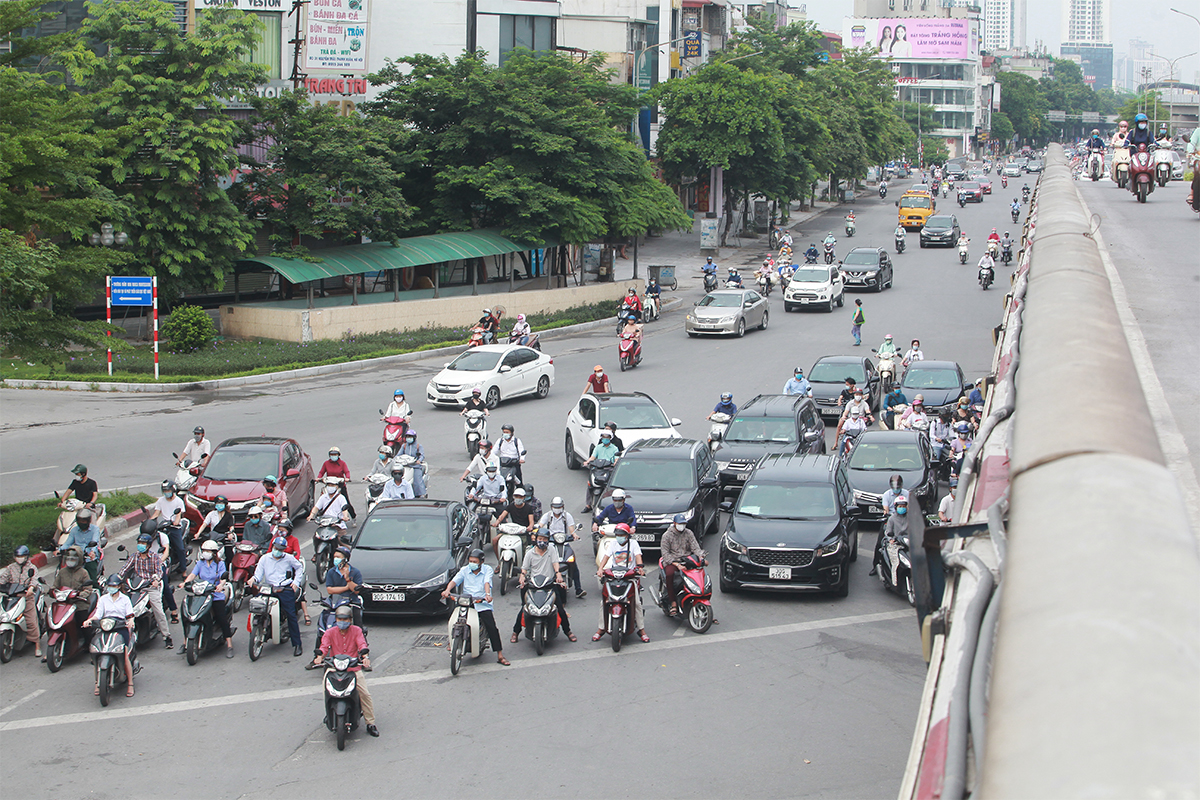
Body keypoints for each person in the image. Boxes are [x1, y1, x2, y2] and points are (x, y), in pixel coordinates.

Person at [316, 604, 379, 736]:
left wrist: (365, 657)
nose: (342, 622)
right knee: (325, 689)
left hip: (353, 668)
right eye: (339, 619)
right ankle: (329, 714)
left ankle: (370, 723)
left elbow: (362, 644)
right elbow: (324, 646)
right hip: (334, 668)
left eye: (345, 620)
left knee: (365, 694)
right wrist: (319, 656)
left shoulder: (356, 631)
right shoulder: (330, 632)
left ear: (350, 620)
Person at [441, 549, 509, 665]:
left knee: (491, 627)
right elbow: (455, 581)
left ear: (481, 562)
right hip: (466, 602)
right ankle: (451, 642)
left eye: (474, 561)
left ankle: (500, 655)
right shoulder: (465, 570)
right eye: (470, 561)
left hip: (482, 603)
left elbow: (487, 582)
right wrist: (447, 590)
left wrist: (487, 595)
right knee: (454, 620)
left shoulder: (487, 570)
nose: (472, 563)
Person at [511, 529, 576, 643]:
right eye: (540, 539)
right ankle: (516, 632)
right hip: (533, 585)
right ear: (536, 539)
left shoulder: (551, 549)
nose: (542, 541)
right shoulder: (530, 553)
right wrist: (522, 576)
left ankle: (568, 631)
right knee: (524, 609)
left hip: (549, 584)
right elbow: (524, 569)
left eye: (545, 539)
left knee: (560, 609)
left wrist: (558, 573)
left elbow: (555, 563)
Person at [308, 546, 365, 668]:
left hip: (351, 602)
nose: (335, 559)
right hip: (334, 602)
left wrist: (348, 579)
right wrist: (346, 588)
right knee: (322, 626)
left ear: (345, 559)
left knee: (357, 625)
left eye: (338, 557)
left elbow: (356, 590)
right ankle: (317, 656)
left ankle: (362, 655)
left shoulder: (355, 572)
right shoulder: (331, 572)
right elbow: (330, 589)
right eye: (334, 557)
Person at [593, 524, 648, 643]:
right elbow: (606, 557)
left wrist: (639, 568)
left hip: (629, 578)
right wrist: (600, 569)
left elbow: (638, 557)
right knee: (604, 602)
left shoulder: (634, 544)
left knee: (637, 603)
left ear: (627, 536)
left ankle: (641, 630)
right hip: (614, 576)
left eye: (622, 535)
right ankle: (601, 628)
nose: (620, 537)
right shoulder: (612, 544)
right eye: (617, 535)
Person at [250, 536, 305, 656]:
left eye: (280, 549)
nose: (278, 551)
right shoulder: (265, 558)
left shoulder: (289, 559)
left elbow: (299, 567)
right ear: (272, 546)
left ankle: (297, 644)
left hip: (283, 589)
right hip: (268, 588)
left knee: (291, 615)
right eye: (276, 548)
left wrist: (295, 583)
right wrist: (253, 579)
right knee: (255, 606)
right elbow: (258, 574)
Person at [181, 540, 235, 658]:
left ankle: (229, 644)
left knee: (221, 617)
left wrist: (221, 585)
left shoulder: (220, 564)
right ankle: (185, 642)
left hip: (215, 594)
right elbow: (193, 575)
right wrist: (185, 583)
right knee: (187, 614)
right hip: (201, 593)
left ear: (214, 553)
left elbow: (223, 577)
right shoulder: (200, 563)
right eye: (204, 551)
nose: (206, 553)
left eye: (208, 551)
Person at [84, 574, 135, 696]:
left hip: (120, 627)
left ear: (119, 586)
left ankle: (130, 684)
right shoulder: (103, 599)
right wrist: (89, 620)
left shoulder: (125, 599)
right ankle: (98, 682)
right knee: (96, 651)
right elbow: (98, 614)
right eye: (110, 586)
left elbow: (130, 614)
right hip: (106, 626)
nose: (111, 588)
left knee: (125, 654)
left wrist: (131, 621)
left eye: (114, 586)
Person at [538, 498, 585, 598]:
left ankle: (578, 589)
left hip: (564, 542)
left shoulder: (567, 516)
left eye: (559, 507)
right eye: (555, 507)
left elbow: (571, 529)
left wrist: (574, 535)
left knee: (572, 562)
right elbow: (540, 525)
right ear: (551, 507)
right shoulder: (547, 516)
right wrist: (537, 529)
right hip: (550, 543)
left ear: (562, 507)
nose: (557, 509)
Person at [0, 546, 42, 657]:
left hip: (26, 597)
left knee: (31, 621)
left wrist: (31, 588)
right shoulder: (11, 568)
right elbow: (3, 579)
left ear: (26, 557)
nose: (19, 558)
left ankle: (37, 645)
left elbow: (34, 579)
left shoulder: (31, 568)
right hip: (12, 596)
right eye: (18, 556)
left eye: (22, 556)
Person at [659, 514, 705, 616]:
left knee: (698, 573)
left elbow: (695, 548)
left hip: (687, 560)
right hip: (672, 561)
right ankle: (673, 602)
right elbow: (665, 554)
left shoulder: (688, 533)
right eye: (680, 523)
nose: (682, 526)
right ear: (674, 523)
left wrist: (701, 557)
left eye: (684, 524)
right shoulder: (667, 536)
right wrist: (676, 564)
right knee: (670, 575)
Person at [54, 546, 95, 644]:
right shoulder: (62, 572)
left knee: (84, 625)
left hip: (79, 604)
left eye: (73, 559)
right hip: (64, 604)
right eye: (68, 559)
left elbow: (88, 589)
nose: (70, 561)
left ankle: (89, 645)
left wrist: (81, 594)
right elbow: (55, 586)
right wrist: (52, 592)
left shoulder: (83, 573)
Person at [149, 480, 187, 573]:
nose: (166, 493)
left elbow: (179, 514)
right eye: (165, 491)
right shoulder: (160, 501)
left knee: (180, 549)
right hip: (163, 526)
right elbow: (156, 513)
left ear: (173, 490)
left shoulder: (178, 501)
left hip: (175, 527)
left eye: (168, 491)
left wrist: (176, 522)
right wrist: (149, 522)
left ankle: (183, 570)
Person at [57, 507, 103, 582]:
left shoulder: (95, 529)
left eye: (84, 520)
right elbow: (68, 543)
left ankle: (96, 589)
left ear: (88, 521)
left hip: (88, 557)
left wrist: (92, 552)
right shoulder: (74, 530)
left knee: (91, 577)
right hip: (76, 556)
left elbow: (95, 542)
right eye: (79, 520)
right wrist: (59, 550)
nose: (82, 522)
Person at [870, 496, 910, 580]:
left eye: (903, 506)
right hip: (895, 543)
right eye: (900, 507)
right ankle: (893, 579)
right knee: (895, 561)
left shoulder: (911, 518)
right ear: (896, 507)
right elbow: (888, 532)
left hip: (908, 543)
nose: (902, 508)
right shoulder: (892, 519)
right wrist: (891, 539)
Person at [493, 486, 538, 559]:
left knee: (527, 547)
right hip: (512, 530)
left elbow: (531, 521)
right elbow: (502, 516)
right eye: (516, 496)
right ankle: (499, 562)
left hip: (523, 531)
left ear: (523, 497)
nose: (518, 498)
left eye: (520, 497)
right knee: (495, 540)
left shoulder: (528, 508)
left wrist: (530, 527)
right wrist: (496, 523)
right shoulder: (510, 506)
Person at [582, 431, 620, 512]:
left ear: (610, 438)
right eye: (603, 437)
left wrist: (616, 462)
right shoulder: (598, 447)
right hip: (597, 468)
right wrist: (587, 462)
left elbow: (616, 458)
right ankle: (588, 505)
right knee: (590, 483)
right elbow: (593, 457)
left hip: (608, 469)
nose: (605, 439)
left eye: (606, 437)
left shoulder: (614, 448)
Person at [193, 494, 235, 565]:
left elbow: (231, 526)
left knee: (229, 553)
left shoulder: (228, 515)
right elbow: (204, 524)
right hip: (213, 536)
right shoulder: (211, 514)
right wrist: (198, 533)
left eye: (221, 503)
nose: (219, 505)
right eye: (218, 503)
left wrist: (230, 533)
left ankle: (228, 568)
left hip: (224, 536)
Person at [393, 430, 427, 498]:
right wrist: (395, 459)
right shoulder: (404, 446)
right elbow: (398, 455)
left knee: (417, 480)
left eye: (410, 437)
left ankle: (421, 494)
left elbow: (422, 455)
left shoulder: (418, 446)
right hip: (405, 465)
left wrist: (419, 461)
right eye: (407, 437)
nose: (409, 438)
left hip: (415, 465)